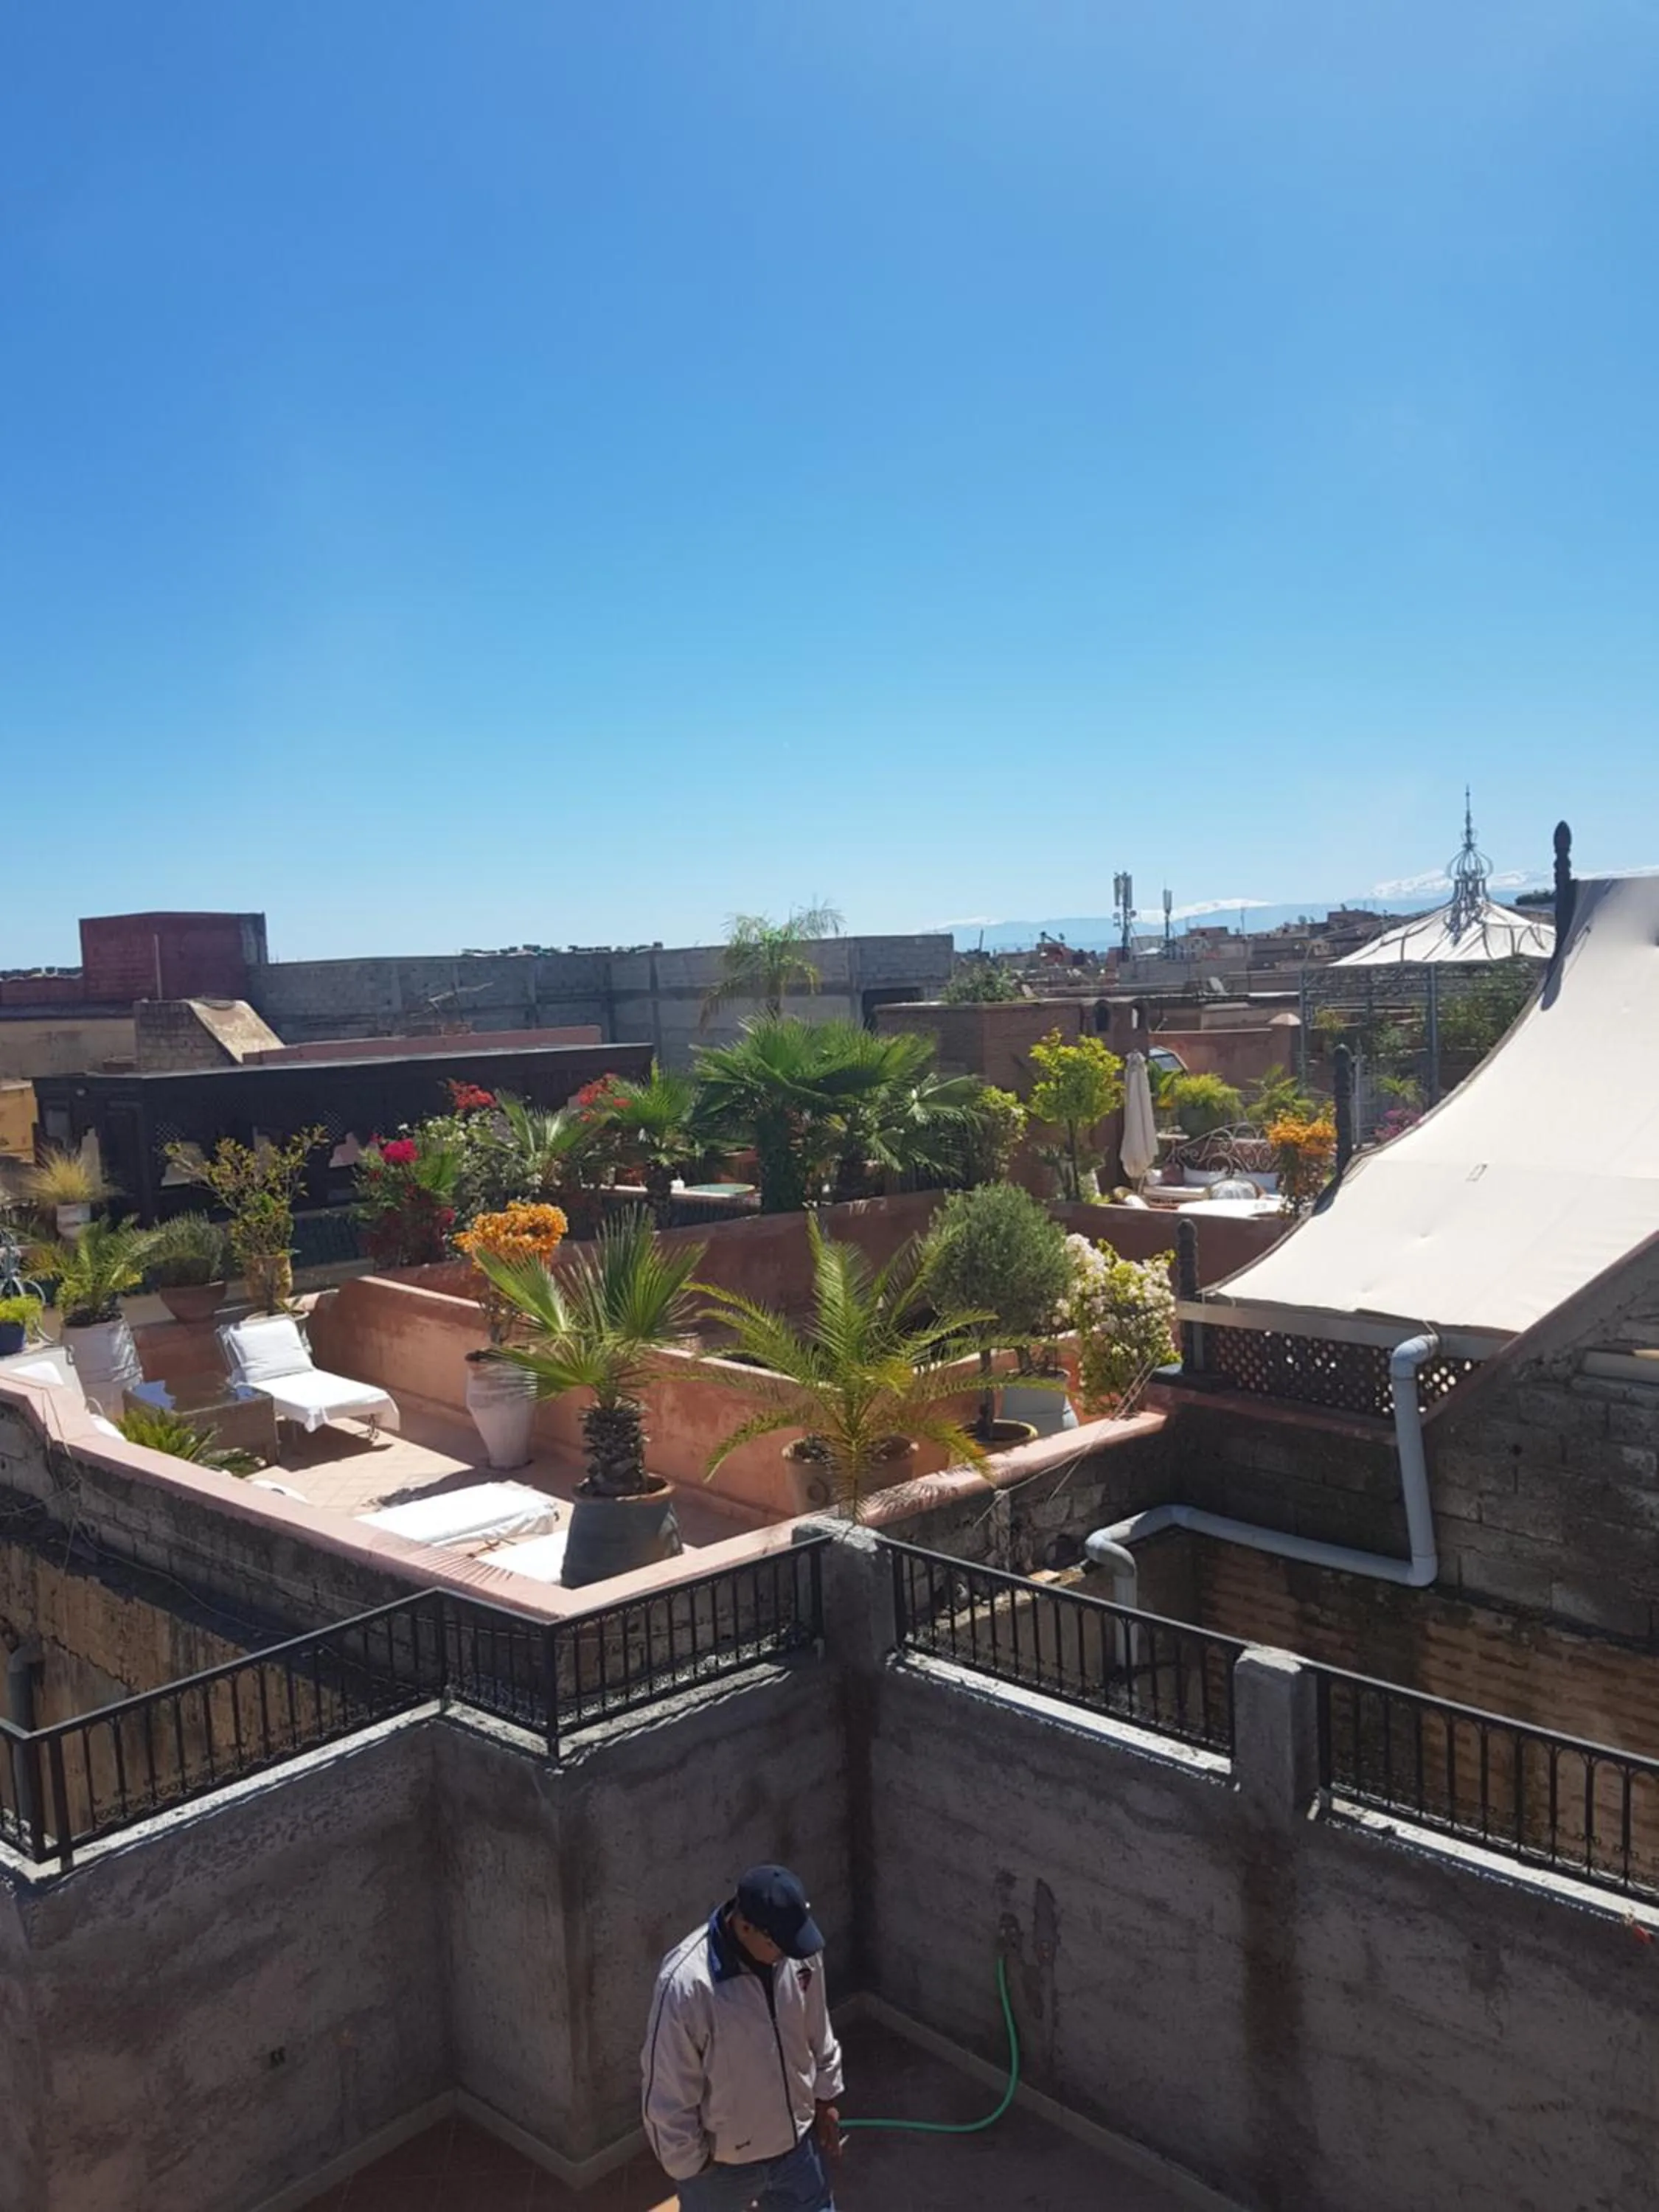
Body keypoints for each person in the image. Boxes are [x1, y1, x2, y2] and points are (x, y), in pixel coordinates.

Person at [642, 1864, 844, 2210]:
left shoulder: (797, 1947)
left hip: (797, 2153)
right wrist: (692, 2165)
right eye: (777, 1945)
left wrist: (827, 2096)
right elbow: (667, 2092)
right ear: (745, 1926)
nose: (789, 1956)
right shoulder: (687, 1986)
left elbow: (817, 2026)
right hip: (721, 2172)